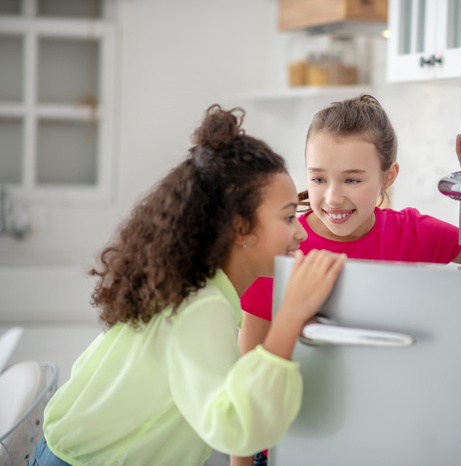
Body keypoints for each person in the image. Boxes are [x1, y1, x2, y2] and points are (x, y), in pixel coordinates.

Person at [29, 104, 346, 466]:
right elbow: (232, 428)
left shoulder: (188, 287)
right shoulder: (203, 306)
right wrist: (290, 317)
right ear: (240, 228)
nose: (300, 232)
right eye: (288, 217)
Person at [232, 94, 461, 466]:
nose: (333, 198)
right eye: (318, 178)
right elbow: (247, 380)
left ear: (389, 176)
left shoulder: (412, 233)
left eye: (352, 179)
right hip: (290, 447)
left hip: (383, 441)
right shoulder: (277, 249)